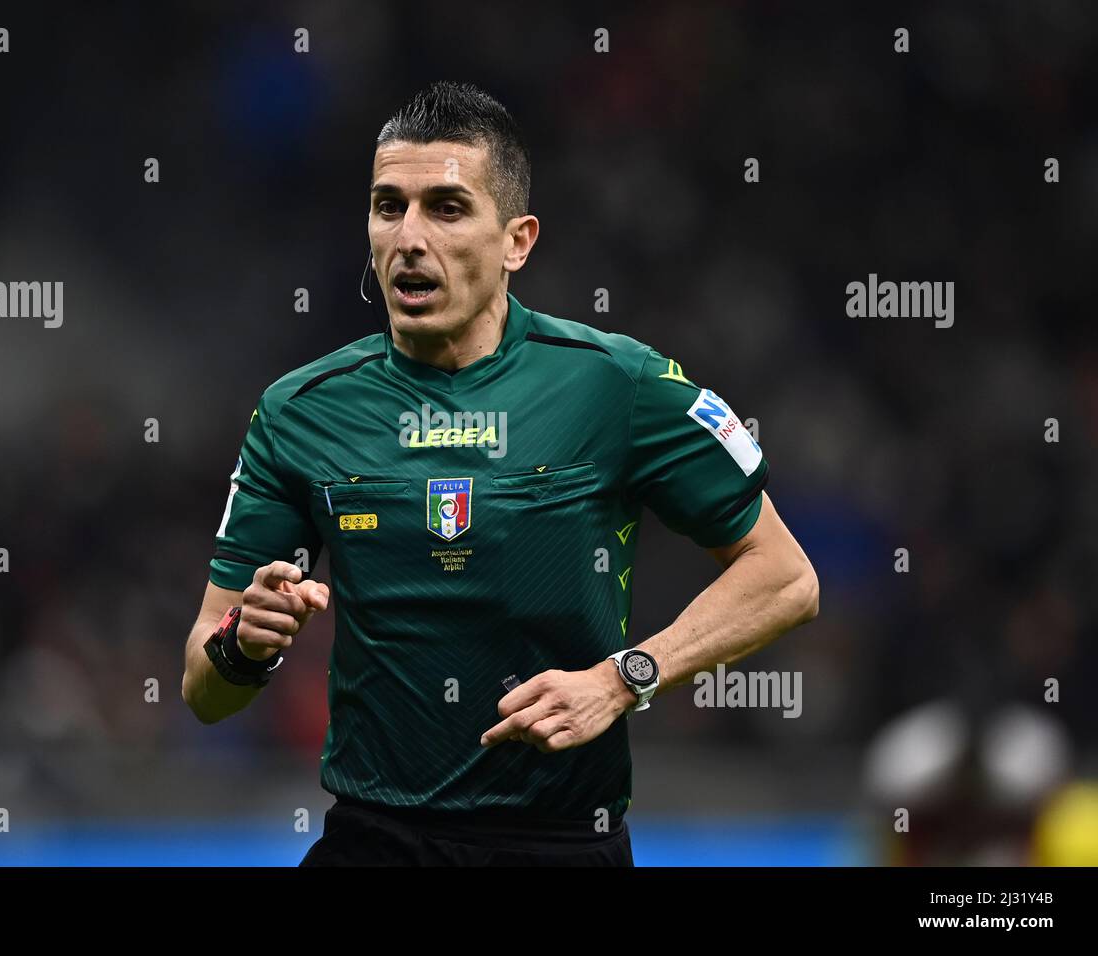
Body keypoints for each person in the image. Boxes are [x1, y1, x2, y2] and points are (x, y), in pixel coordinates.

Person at [181, 81, 819, 866]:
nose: (409, 237)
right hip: (375, 841)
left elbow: (786, 578)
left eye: (446, 208)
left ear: (518, 240)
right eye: (389, 206)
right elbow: (202, 692)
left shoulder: (617, 385)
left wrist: (625, 678)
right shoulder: (298, 412)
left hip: (560, 846)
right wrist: (244, 645)